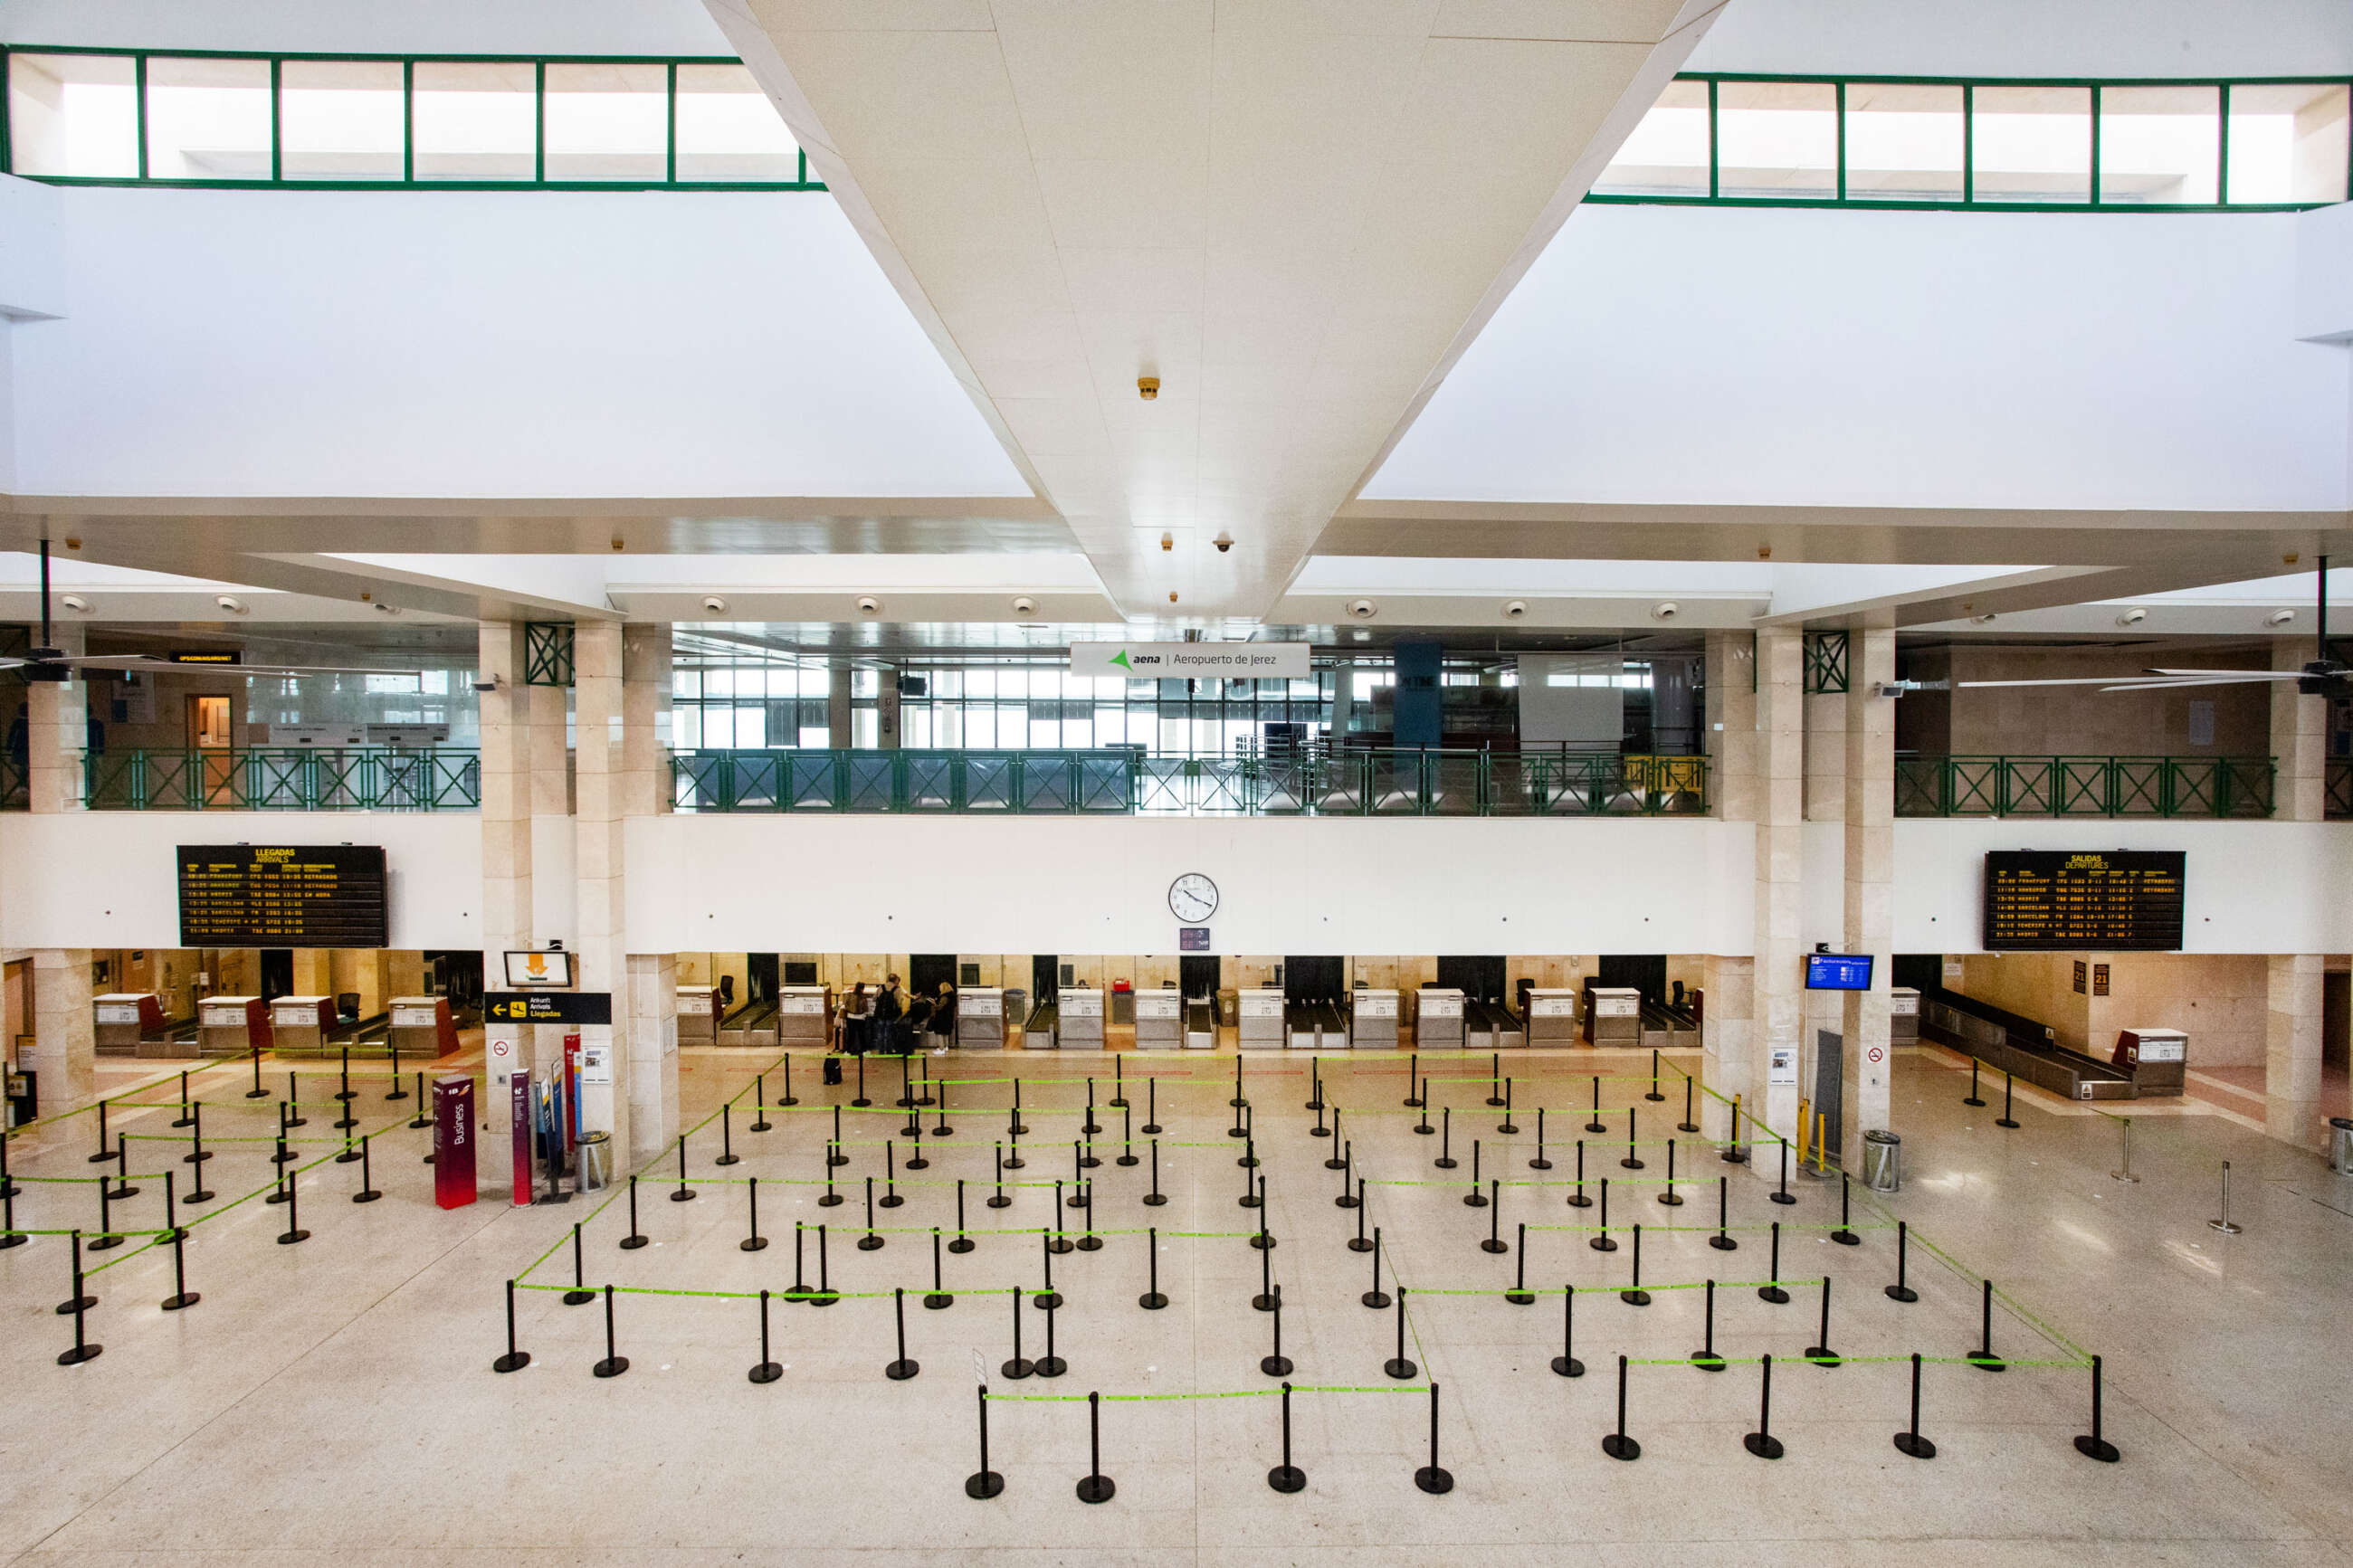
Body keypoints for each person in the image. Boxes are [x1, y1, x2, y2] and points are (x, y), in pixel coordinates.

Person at [875, 974, 908, 1055]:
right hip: (891, 1014)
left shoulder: (881, 987)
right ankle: (888, 1050)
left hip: (880, 1014)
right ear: (895, 980)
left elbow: (874, 998)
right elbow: (899, 1002)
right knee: (889, 1032)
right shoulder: (897, 989)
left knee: (880, 1033)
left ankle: (881, 1051)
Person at [928, 980, 957, 1053]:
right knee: (945, 1032)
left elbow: (939, 1007)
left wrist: (934, 1003)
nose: (939, 989)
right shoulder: (951, 995)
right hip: (948, 1016)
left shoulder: (945, 996)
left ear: (944, 988)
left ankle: (941, 1049)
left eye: (940, 987)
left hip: (942, 1017)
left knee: (939, 1033)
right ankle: (946, 1047)